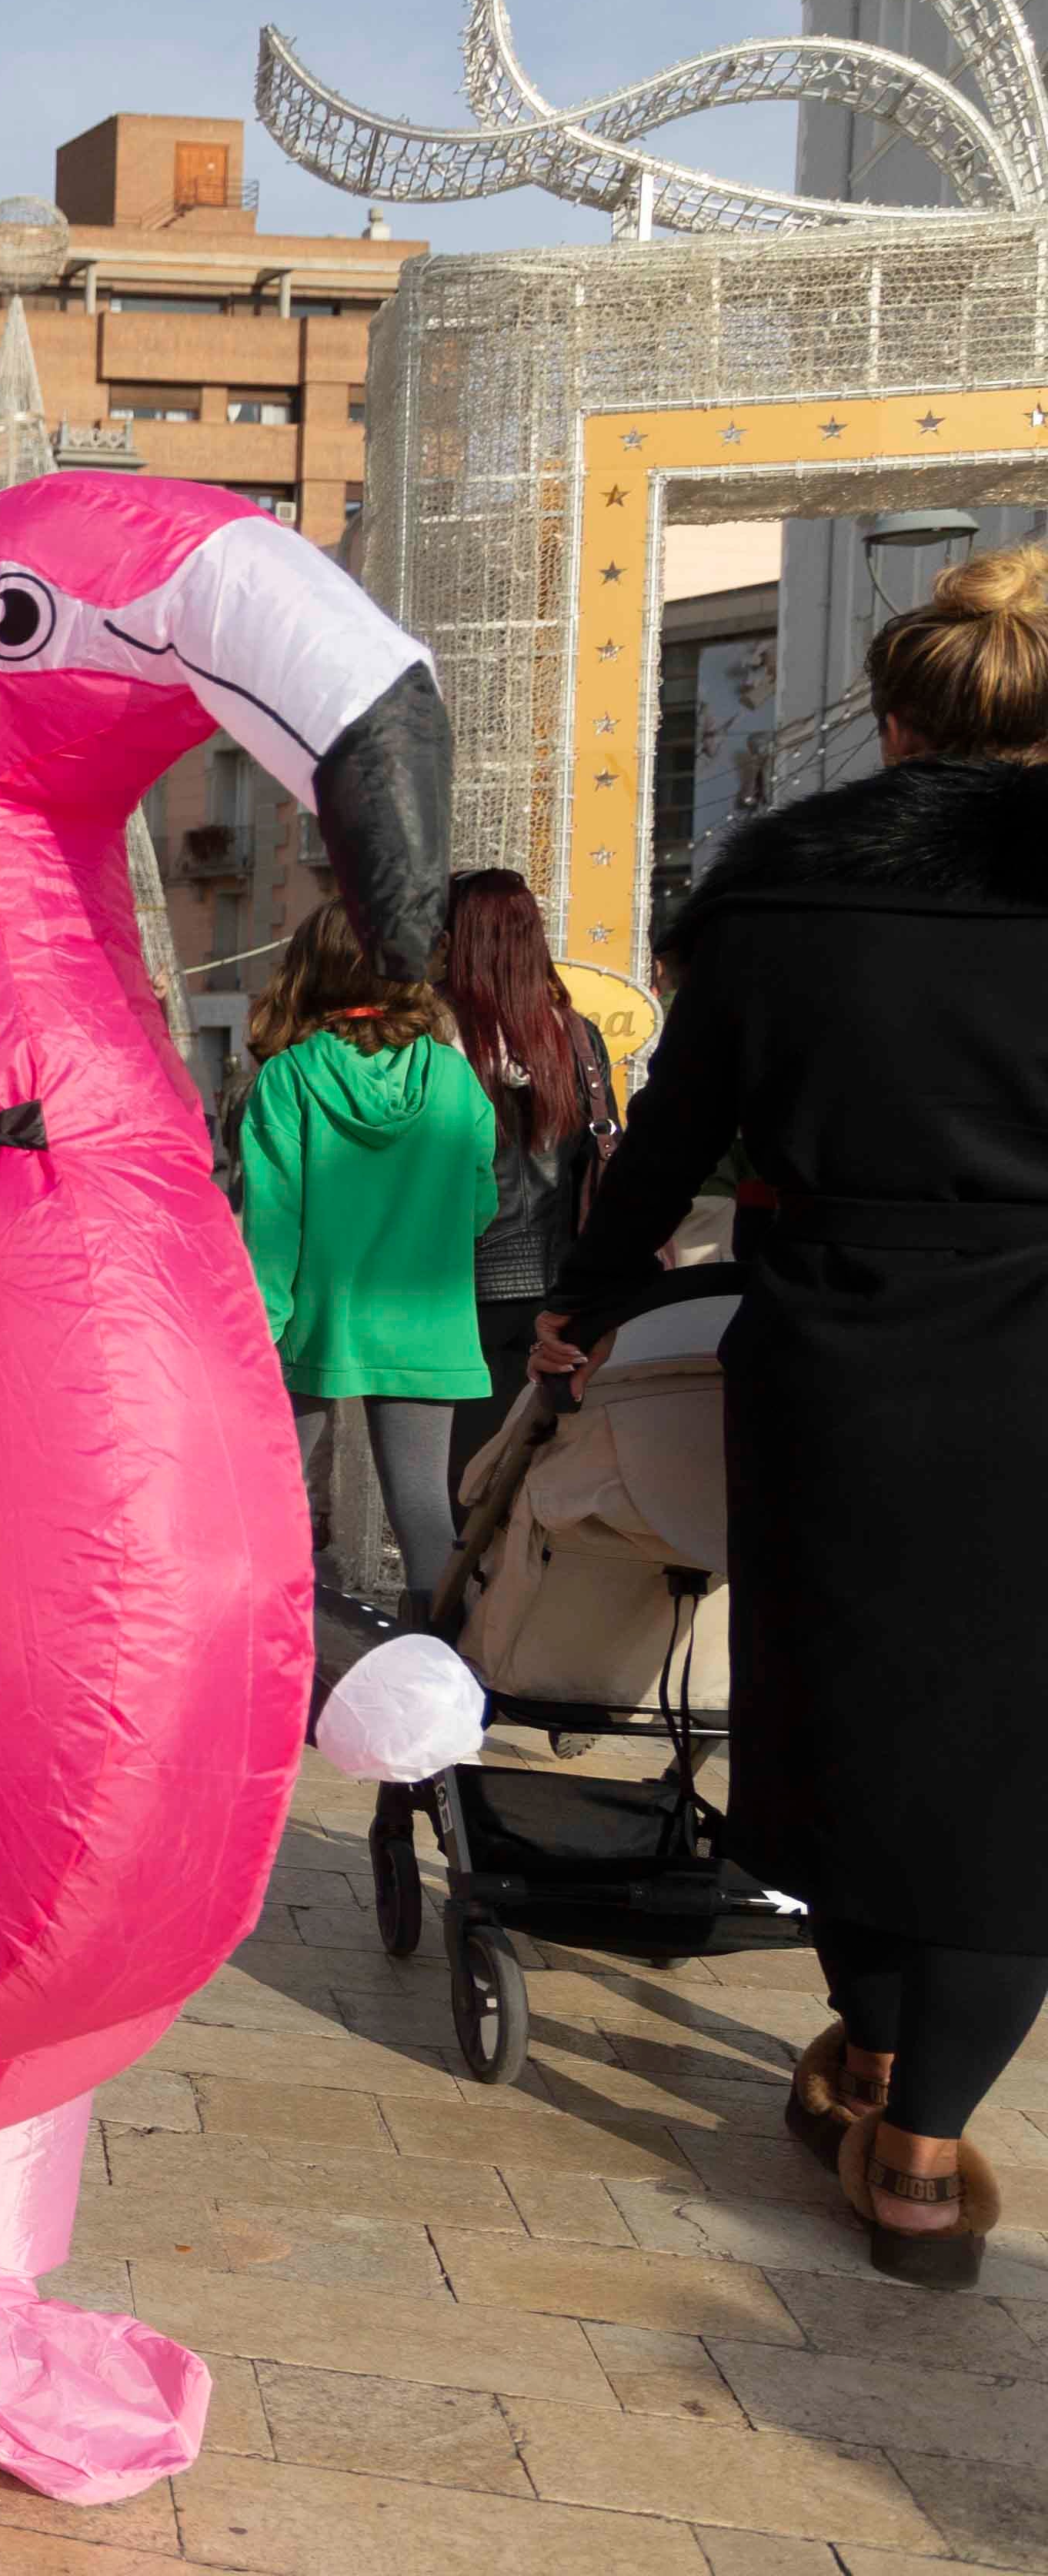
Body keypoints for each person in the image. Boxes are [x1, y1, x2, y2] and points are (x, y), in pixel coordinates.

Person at [543, 542, 1048, 2290]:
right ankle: (915, 2145)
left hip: (831, 1365)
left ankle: (866, 2044)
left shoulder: (778, 901)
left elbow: (663, 1144)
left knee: (840, 1718)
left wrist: (581, 1304)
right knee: (1018, 1762)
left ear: (896, 726)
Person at [230, 898, 494, 1609]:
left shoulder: (288, 1079)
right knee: (425, 1517)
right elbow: (481, 1206)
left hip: (311, 1319)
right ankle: (442, 1676)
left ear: (314, 968)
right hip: (427, 1319)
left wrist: (259, 1331)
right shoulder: (452, 1075)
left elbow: (272, 1226)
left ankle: (285, 1661)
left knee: (274, 1506)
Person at [437, 868, 616, 1493]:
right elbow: (597, 1158)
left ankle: (460, 1593)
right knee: (536, 1474)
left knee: (458, 1480)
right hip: (557, 1288)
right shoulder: (576, 1036)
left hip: (454, 1284)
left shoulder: (433, 1033)